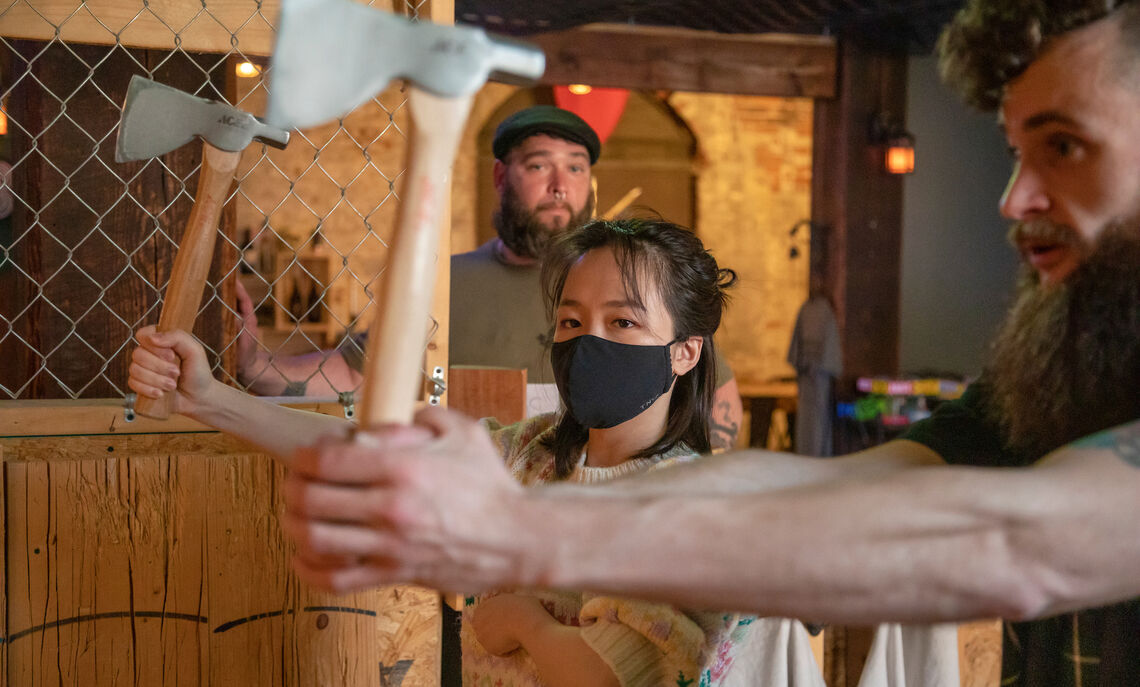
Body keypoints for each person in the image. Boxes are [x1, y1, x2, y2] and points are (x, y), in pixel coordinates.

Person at [278, 2, 1140, 685]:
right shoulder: (1055, 371)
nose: (1015, 198)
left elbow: (1017, 545)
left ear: (684, 349)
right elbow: (844, 482)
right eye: (1015, 151)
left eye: (1066, 146)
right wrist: (514, 506)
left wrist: (516, 532)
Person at [128, 217, 756, 686]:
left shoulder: (683, 505)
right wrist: (207, 399)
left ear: (685, 351)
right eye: (570, 322)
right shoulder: (528, 455)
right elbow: (371, 454)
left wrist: (520, 622)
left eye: (622, 323)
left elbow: (607, 677)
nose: (589, 343)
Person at [235, 104, 745, 449]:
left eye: (575, 168)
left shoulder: (639, 287)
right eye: (539, 166)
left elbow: (717, 401)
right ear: (502, 177)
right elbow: (353, 373)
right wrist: (255, 365)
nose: (559, 185)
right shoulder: (446, 285)